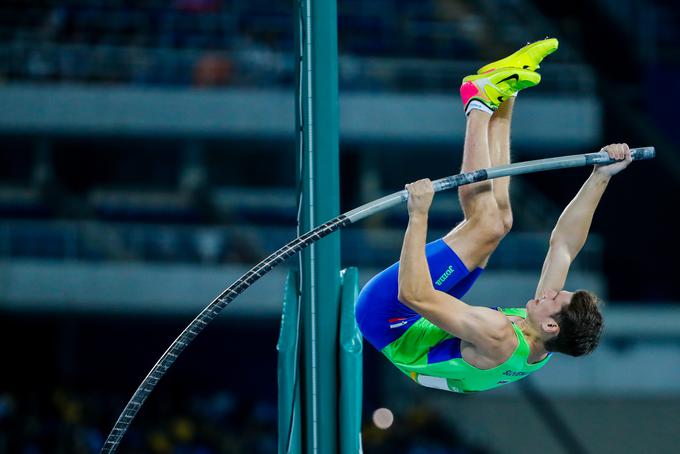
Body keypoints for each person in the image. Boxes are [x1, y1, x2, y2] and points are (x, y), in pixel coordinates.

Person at [355, 38, 634, 393]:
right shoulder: (544, 339)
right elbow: (564, 245)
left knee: (486, 226)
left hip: (389, 317)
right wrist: (600, 177)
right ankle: (504, 93)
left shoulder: (499, 336)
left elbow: (414, 295)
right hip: (421, 321)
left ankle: (478, 102)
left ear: (552, 326)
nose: (549, 293)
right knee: (500, 223)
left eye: (555, 299)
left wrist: (418, 214)